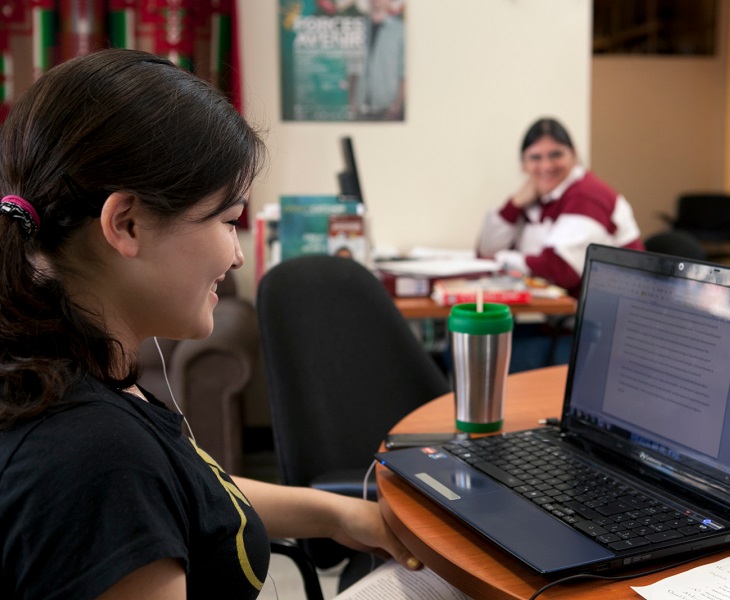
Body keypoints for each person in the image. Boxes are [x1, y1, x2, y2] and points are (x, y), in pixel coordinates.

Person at [0, 49, 421, 599]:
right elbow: (130, 494)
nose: (237, 255)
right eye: (228, 221)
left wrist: (341, 516)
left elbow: (185, 493)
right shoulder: (96, 460)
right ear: (125, 224)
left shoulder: (66, 366)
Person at [476, 117, 644, 298]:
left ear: (574, 156)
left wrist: (501, 261)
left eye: (556, 155)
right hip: (558, 316)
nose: (546, 166)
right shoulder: (537, 198)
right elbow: (486, 251)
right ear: (523, 164)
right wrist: (514, 205)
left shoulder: (587, 195)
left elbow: (562, 269)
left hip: (610, 315)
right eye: (535, 157)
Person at [349, 0, 405, 120]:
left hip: (387, 109)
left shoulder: (400, 31)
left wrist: (397, 105)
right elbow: (353, 70)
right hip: (361, 107)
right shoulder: (359, 28)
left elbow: (404, 73)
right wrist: (352, 101)